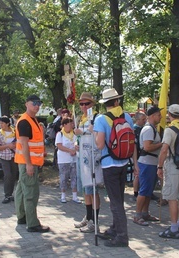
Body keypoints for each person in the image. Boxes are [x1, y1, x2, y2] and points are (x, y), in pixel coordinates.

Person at [94, 88, 138, 247]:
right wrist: (135, 164)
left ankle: (122, 236)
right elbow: (132, 142)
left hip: (109, 164)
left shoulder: (100, 119)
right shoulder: (126, 116)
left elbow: (99, 145)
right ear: (117, 101)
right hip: (124, 163)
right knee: (118, 198)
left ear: (105, 103)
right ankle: (115, 228)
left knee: (115, 202)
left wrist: (94, 134)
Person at [14, 95, 50, 233]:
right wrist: (29, 164)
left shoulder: (32, 120)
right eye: (34, 103)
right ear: (26, 104)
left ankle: (22, 217)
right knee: (30, 192)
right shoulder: (25, 122)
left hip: (28, 162)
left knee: (22, 190)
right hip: (28, 163)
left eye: (39, 103)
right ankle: (32, 223)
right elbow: (24, 144)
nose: (37, 105)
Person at [156, 104, 179, 239]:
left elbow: (164, 150)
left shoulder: (170, 130)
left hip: (172, 165)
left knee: (171, 197)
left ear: (170, 115)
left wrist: (159, 167)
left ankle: (174, 228)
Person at [73, 92, 101, 233]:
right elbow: (77, 136)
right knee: (85, 189)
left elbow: (96, 134)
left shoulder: (96, 117)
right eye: (81, 104)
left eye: (87, 103)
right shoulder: (81, 118)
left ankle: (94, 222)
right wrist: (76, 143)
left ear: (92, 104)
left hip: (92, 157)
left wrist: (82, 133)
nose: (84, 106)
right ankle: (88, 216)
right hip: (81, 156)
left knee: (92, 190)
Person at [133, 106, 162, 226]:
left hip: (151, 162)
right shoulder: (149, 129)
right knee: (144, 190)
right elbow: (147, 147)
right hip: (147, 163)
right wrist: (162, 144)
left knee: (148, 190)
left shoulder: (152, 129)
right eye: (159, 115)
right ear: (152, 116)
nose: (160, 117)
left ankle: (145, 213)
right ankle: (138, 215)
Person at [55, 117, 81, 203]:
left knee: (74, 177)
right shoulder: (60, 134)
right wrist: (69, 150)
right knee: (64, 177)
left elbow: (76, 141)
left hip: (73, 159)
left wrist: (76, 147)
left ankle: (75, 196)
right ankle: (63, 196)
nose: (72, 125)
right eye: (71, 123)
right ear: (65, 125)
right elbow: (59, 146)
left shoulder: (74, 133)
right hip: (63, 160)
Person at [0, 116, 18, 204]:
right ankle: (6, 194)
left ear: (8, 123)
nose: (1, 125)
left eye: (2, 123)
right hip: (4, 157)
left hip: (14, 156)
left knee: (13, 175)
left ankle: (10, 194)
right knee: (7, 175)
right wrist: (8, 146)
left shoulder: (14, 132)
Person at [131, 111, 147, 201]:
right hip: (137, 154)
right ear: (137, 120)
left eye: (145, 119)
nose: (145, 121)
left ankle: (145, 191)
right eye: (143, 119)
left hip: (143, 154)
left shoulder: (144, 128)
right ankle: (136, 193)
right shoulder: (134, 129)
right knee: (137, 174)